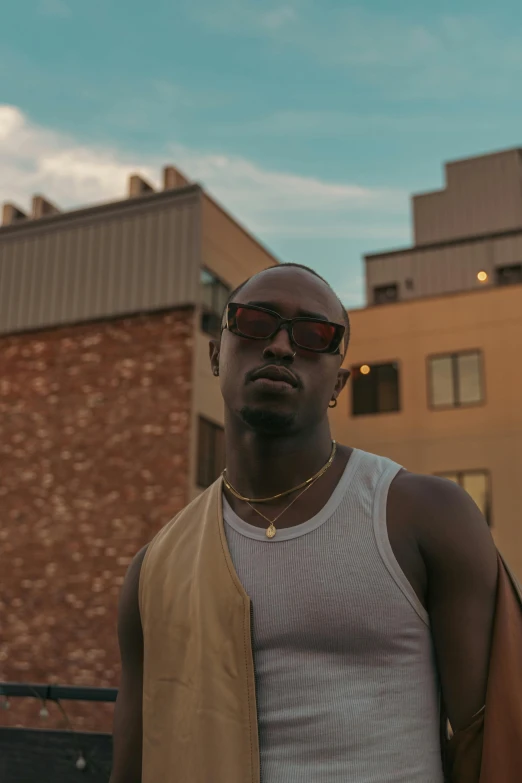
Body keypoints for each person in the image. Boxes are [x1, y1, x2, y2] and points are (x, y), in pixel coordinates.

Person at [110, 263, 500, 783]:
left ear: (338, 381)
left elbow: (492, 742)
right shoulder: (155, 569)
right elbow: (134, 766)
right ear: (214, 355)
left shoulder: (424, 515)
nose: (279, 346)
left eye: (315, 335)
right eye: (253, 322)